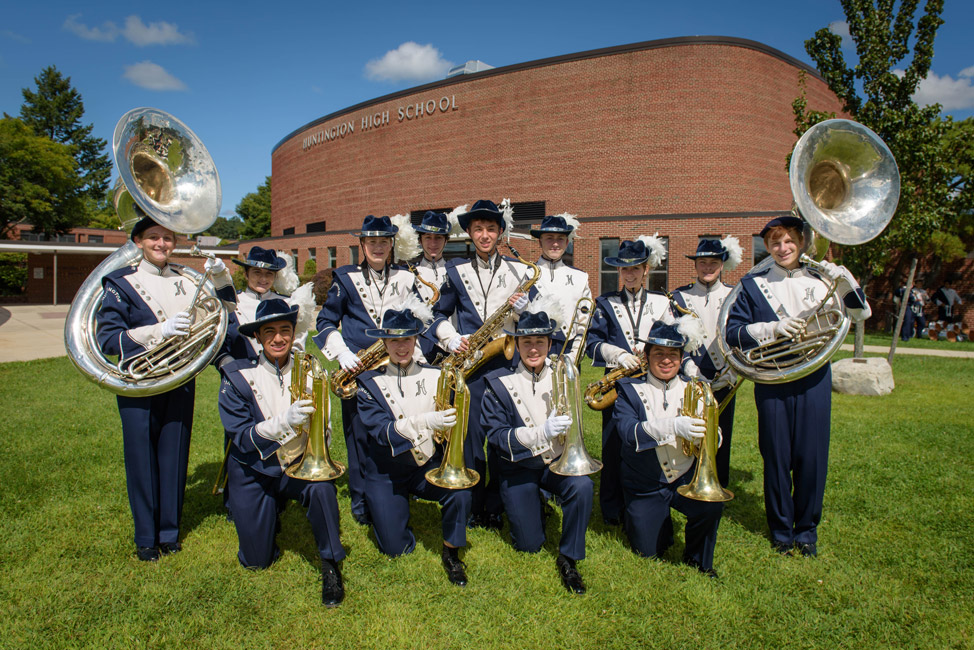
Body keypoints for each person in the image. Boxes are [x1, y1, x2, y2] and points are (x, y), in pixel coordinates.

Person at [724, 216, 871, 557]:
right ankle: (780, 530)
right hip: (773, 379)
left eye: (789, 240)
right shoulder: (752, 284)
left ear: (801, 242)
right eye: (775, 242)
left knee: (811, 455)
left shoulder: (824, 278)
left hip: (814, 377)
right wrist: (772, 330)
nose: (782, 248)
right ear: (768, 247)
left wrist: (846, 282)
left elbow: (860, 315)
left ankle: (806, 531)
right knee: (775, 454)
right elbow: (734, 334)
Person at [96, 216, 236, 561]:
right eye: (153, 237)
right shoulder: (120, 282)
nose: (162, 244)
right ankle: (146, 537)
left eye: (168, 238)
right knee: (142, 457)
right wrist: (160, 330)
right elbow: (106, 339)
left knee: (174, 455)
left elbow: (224, 311)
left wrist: (219, 276)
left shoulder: (185, 279)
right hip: (139, 384)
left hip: (178, 380)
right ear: (139, 242)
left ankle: (170, 533)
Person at [218, 299, 346, 606]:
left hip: (297, 463)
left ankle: (331, 565)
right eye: (270, 332)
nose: (278, 338)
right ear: (259, 338)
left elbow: (324, 423)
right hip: (254, 470)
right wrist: (283, 423)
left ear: (293, 333)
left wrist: (319, 452)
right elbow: (242, 437)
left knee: (322, 489)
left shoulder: (310, 368)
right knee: (256, 562)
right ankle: (267, 512)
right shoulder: (236, 375)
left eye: (285, 331)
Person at [426, 199, 537, 529]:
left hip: (507, 363)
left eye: (491, 228)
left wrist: (525, 309)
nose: (485, 235)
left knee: (503, 437)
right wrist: (451, 338)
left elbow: (539, 322)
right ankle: (473, 504)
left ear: (500, 232)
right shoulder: (454, 271)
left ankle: (498, 503)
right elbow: (435, 316)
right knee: (471, 438)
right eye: (478, 229)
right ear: (470, 233)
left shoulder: (521, 271)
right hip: (470, 364)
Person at [356, 297, 473, 586]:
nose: (401, 347)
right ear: (384, 344)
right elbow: (382, 433)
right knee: (396, 549)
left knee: (459, 490)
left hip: (425, 466)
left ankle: (451, 552)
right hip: (386, 472)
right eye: (394, 341)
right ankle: (389, 509)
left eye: (407, 339)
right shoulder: (369, 383)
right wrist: (425, 422)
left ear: (416, 340)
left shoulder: (438, 375)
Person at [481, 298, 594, 594]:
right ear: (517, 345)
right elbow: (497, 437)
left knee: (582, 487)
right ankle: (531, 503)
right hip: (517, 468)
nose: (533, 349)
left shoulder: (563, 373)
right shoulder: (497, 383)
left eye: (540, 342)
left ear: (549, 344)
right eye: (527, 342)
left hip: (556, 463)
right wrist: (541, 432)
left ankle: (569, 558)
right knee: (529, 546)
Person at [313, 215, 420, 526]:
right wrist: (343, 353)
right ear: (362, 245)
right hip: (359, 370)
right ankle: (361, 503)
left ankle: (399, 491)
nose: (377, 247)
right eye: (371, 241)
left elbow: (421, 320)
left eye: (383, 242)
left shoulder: (406, 276)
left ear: (391, 245)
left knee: (399, 432)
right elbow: (324, 323)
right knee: (358, 439)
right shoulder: (344, 278)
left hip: (398, 368)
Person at [612, 319, 723, 577]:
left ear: (681, 358)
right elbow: (629, 434)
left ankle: (698, 559)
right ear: (646, 356)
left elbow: (715, 433)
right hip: (645, 482)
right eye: (658, 353)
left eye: (672, 354)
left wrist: (707, 439)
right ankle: (641, 519)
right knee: (648, 552)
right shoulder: (629, 390)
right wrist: (673, 426)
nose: (666, 360)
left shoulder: (695, 389)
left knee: (711, 505)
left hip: (685, 477)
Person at [584, 235, 673, 527]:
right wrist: (619, 355)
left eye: (636, 267)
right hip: (616, 384)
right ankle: (611, 509)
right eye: (625, 269)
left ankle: (645, 500)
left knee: (648, 443)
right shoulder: (605, 302)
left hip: (651, 384)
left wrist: (649, 348)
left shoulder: (662, 303)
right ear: (618, 272)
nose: (630, 273)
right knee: (612, 446)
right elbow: (592, 344)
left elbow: (675, 341)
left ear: (646, 269)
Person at [672, 237, 742, 488]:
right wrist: (689, 367)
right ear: (695, 265)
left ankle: (718, 483)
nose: (707, 267)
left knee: (722, 430)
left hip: (725, 374)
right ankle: (689, 478)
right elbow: (676, 338)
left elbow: (740, 335)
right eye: (702, 262)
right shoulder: (680, 296)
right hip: (693, 374)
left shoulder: (735, 294)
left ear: (722, 264)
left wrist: (734, 368)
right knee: (693, 428)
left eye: (713, 262)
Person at [530, 213, 592, 364]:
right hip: (533, 350)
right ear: (540, 241)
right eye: (549, 238)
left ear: (567, 242)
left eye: (560, 239)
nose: (555, 244)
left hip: (568, 349)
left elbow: (584, 321)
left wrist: (574, 355)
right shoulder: (525, 273)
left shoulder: (580, 277)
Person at [218, 246, 290, 366]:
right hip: (240, 376)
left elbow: (296, 345)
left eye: (269, 273)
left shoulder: (287, 303)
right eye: (257, 272)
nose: (263, 279)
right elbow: (219, 347)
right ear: (246, 274)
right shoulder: (231, 304)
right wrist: (230, 368)